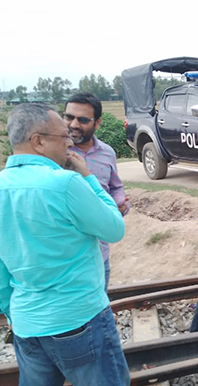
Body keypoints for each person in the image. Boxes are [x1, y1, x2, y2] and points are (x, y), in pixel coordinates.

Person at [0, 104, 133, 386]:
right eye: (63, 136)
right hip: (78, 319)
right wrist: (88, 178)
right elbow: (113, 229)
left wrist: (12, 313)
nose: (69, 143)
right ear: (38, 141)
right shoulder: (66, 184)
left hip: (26, 324)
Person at [65, 92, 130, 292]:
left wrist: (120, 204)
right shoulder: (55, 153)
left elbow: (114, 186)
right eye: (69, 117)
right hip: (67, 255)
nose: (74, 124)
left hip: (99, 252)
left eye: (83, 120)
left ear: (97, 123)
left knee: (99, 308)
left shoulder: (107, 153)